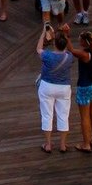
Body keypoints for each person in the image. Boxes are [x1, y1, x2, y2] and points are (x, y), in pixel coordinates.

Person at [36, 23, 74, 152]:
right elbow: (71, 48)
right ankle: (63, 145)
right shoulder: (69, 57)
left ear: (54, 44)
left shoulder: (48, 56)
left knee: (47, 115)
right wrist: (65, 35)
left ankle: (48, 144)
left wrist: (43, 34)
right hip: (64, 88)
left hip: (47, 86)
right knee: (63, 115)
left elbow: (38, 49)